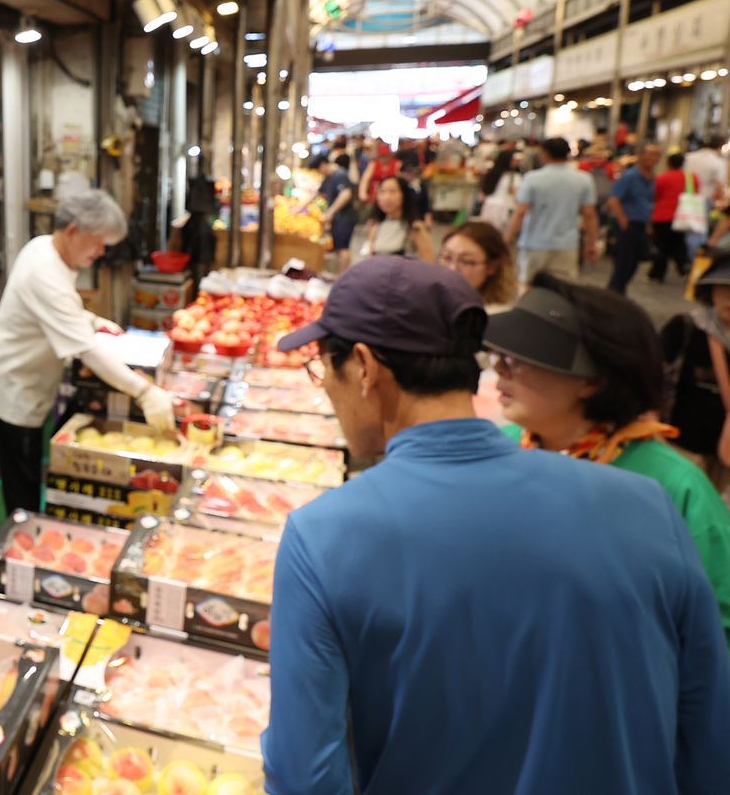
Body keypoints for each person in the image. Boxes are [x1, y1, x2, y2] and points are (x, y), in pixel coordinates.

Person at [260, 256, 730, 795]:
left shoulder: (322, 537)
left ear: (365, 367)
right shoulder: (647, 505)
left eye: (322, 367)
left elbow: (304, 778)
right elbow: (709, 732)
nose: (324, 388)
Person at [485, 273, 730, 652]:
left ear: (592, 381)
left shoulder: (673, 485)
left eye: (518, 359)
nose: (500, 369)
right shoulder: (495, 447)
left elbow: (716, 622)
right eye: (498, 355)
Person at [0, 191, 175, 514]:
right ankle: (21, 534)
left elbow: (54, 311)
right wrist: (145, 392)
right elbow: (88, 351)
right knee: (22, 482)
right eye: (99, 243)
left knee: (26, 470)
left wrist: (92, 320)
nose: (102, 252)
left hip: (24, 379)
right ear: (73, 232)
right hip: (15, 391)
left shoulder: (43, 247)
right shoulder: (44, 272)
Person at [662, 250, 730, 492]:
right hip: (678, 448)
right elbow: (649, 380)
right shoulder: (685, 328)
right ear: (710, 289)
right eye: (725, 287)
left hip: (723, 455)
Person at [502, 136, 599, 291]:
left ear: (545, 153)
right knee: (562, 290)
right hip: (567, 244)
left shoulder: (532, 178)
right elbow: (589, 214)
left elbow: (520, 212)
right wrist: (592, 243)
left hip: (534, 242)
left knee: (528, 286)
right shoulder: (584, 179)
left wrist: (506, 240)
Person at [605, 142, 661, 293]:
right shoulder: (629, 176)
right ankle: (614, 294)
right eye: (651, 154)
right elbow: (614, 199)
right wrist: (622, 220)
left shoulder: (652, 178)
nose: (654, 158)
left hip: (641, 224)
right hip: (628, 224)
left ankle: (618, 292)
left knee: (634, 262)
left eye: (657, 155)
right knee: (623, 263)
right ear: (641, 156)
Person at [438, 221, 516, 312]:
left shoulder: (494, 314)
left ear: (492, 267)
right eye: (447, 257)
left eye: (466, 261)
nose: (452, 269)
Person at [364, 176, 433, 262]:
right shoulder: (376, 226)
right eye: (382, 191)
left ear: (404, 195)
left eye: (392, 192)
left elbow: (429, 260)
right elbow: (369, 259)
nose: (387, 197)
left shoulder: (415, 226)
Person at [650, 152, 693, 282]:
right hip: (683, 216)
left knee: (662, 245)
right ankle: (684, 266)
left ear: (668, 163)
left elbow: (655, 195)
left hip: (663, 215)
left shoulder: (662, 178)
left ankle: (657, 274)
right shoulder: (691, 178)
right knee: (679, 243)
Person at [318, 154, 356, 272]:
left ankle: (342, 276)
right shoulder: (329, 176)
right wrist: (299, 208)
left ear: (323, 165)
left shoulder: (339, 174)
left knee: (343, 248)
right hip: (338, 217)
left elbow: (346, 194)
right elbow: (318, 192)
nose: (319, 173)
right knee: (338, 247)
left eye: (319, 169)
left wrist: (331, 211)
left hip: (345, 217)